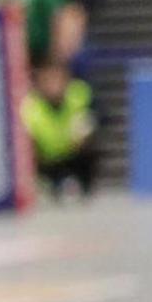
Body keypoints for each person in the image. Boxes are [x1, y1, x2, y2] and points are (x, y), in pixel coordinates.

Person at [24, 62, 101, 200]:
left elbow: (99, 116)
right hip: (47, 159)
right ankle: (45, 184)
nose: (54, 86)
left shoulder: (79, 94)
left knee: (91, 141)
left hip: (74, 154)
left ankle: (82, 183)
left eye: (57, 80)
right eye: (48, 81)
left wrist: (86, 129)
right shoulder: (32, 105)